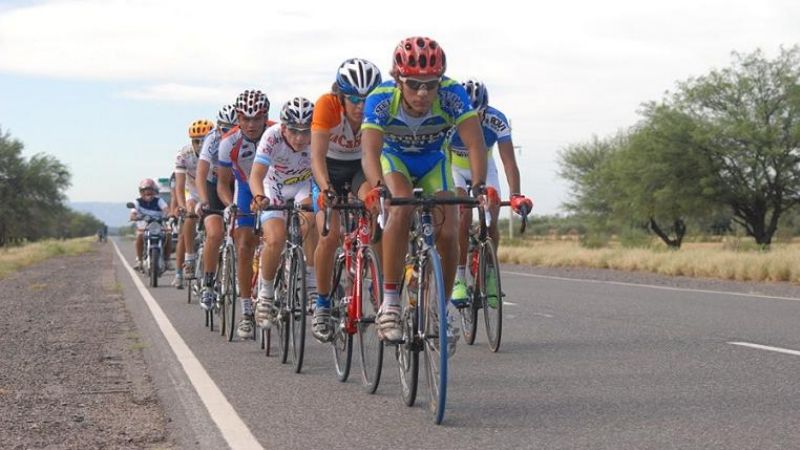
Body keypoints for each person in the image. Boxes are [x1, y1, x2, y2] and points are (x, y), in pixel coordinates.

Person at [360, 36, 488, 343]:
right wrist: (378, 188)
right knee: (400, 208)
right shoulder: (380, 98)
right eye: (414, 84)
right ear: (397, 79)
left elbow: (475, 143)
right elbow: (370, 151)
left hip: (433, 163)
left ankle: (439, 309)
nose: (423, 92)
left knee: (449, 227)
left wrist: (479, 185)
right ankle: (390, 303)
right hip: (396, 160)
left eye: (431, 84)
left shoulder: (452, 94)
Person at [309, 58, 382, 342]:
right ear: (341, 96)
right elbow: (315, 157)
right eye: (353, 98)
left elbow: (377, 157)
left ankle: (377, 286)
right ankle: (323, 305)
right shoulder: (326, 105)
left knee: (377, 206)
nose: (360, 106)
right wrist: (326, 188)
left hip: (357, 169)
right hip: (328, 168)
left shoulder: (377, 111)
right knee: (330, 234)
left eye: (367, 99)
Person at [448, 79, 532, 305]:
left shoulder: (497, 120)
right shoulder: (449, 121)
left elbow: (509, 163)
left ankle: (491, 274)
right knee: (462, 214)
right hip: (454, 168)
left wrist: (516, 196)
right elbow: (442, 159)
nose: (474, 120)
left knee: (492, 216)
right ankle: (459, 278)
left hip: (485, 167)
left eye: (480, 115)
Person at [250, 97, 317, 329]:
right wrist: (259, 197)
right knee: (275, 239)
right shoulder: (272, 136)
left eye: (305, 131)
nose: (300, 138)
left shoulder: (317, 136)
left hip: (302, 185)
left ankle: (311, 283)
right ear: (284, 127)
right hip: (274, 185)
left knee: (311, 220)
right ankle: (265, 296)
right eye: (294, 131)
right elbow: (256, 175)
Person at [217, 89, 272, 339]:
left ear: (266, 117)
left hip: (274, 185)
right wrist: (230, 205)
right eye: (245, 119)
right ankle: (246, 311)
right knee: (243, 244)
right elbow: (222, 183)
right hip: (245, 188)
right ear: (238, 118)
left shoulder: (276, 134)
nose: (251, 125)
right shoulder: (229, 142)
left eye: (257, 118)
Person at [195, 104, 238, 310]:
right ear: (218, 127)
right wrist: (203, 201)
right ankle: (209, 284)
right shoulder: (211, 139)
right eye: (224, 128)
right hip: (214, 185)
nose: (228, 133)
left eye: (233, 127)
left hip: (237, 183)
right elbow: (201, 175)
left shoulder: (245, 137)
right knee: (215, 233)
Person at [172, 119, 214, 289]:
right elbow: (180, 186)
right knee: (189, 216)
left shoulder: (217, 151)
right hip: (193, 191)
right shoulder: (184, 155)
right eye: (196, 141)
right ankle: (188, 259)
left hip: (211, 190)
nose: (200, 144)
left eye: (204, 140)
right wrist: (181, 205)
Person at [130, 179, 171, 270]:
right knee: (139, 236)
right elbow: (133, 213)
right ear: (141, 192)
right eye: (145, 190)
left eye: (150, 190)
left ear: (154, 191)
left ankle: (167, 261)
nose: (148, 192)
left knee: (168, 235)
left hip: (158, 226)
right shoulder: (137, 202)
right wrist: (134, 216)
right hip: (143, 228)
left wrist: (169, 214)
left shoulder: (159, 201)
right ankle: (139, 261)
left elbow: (166, 210)